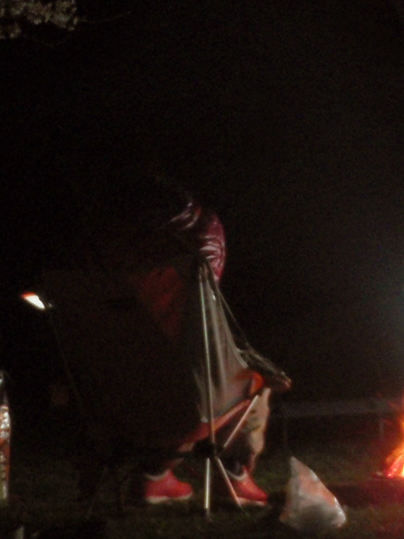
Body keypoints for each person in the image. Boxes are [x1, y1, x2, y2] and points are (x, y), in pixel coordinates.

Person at [82, 179, 280, 506]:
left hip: (110, 395)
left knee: (181, 388)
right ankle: (234, 476)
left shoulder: (99, 258)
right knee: (252, 380)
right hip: (183, 399)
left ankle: (155, 477)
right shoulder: (196, 238)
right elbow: (206, 293)